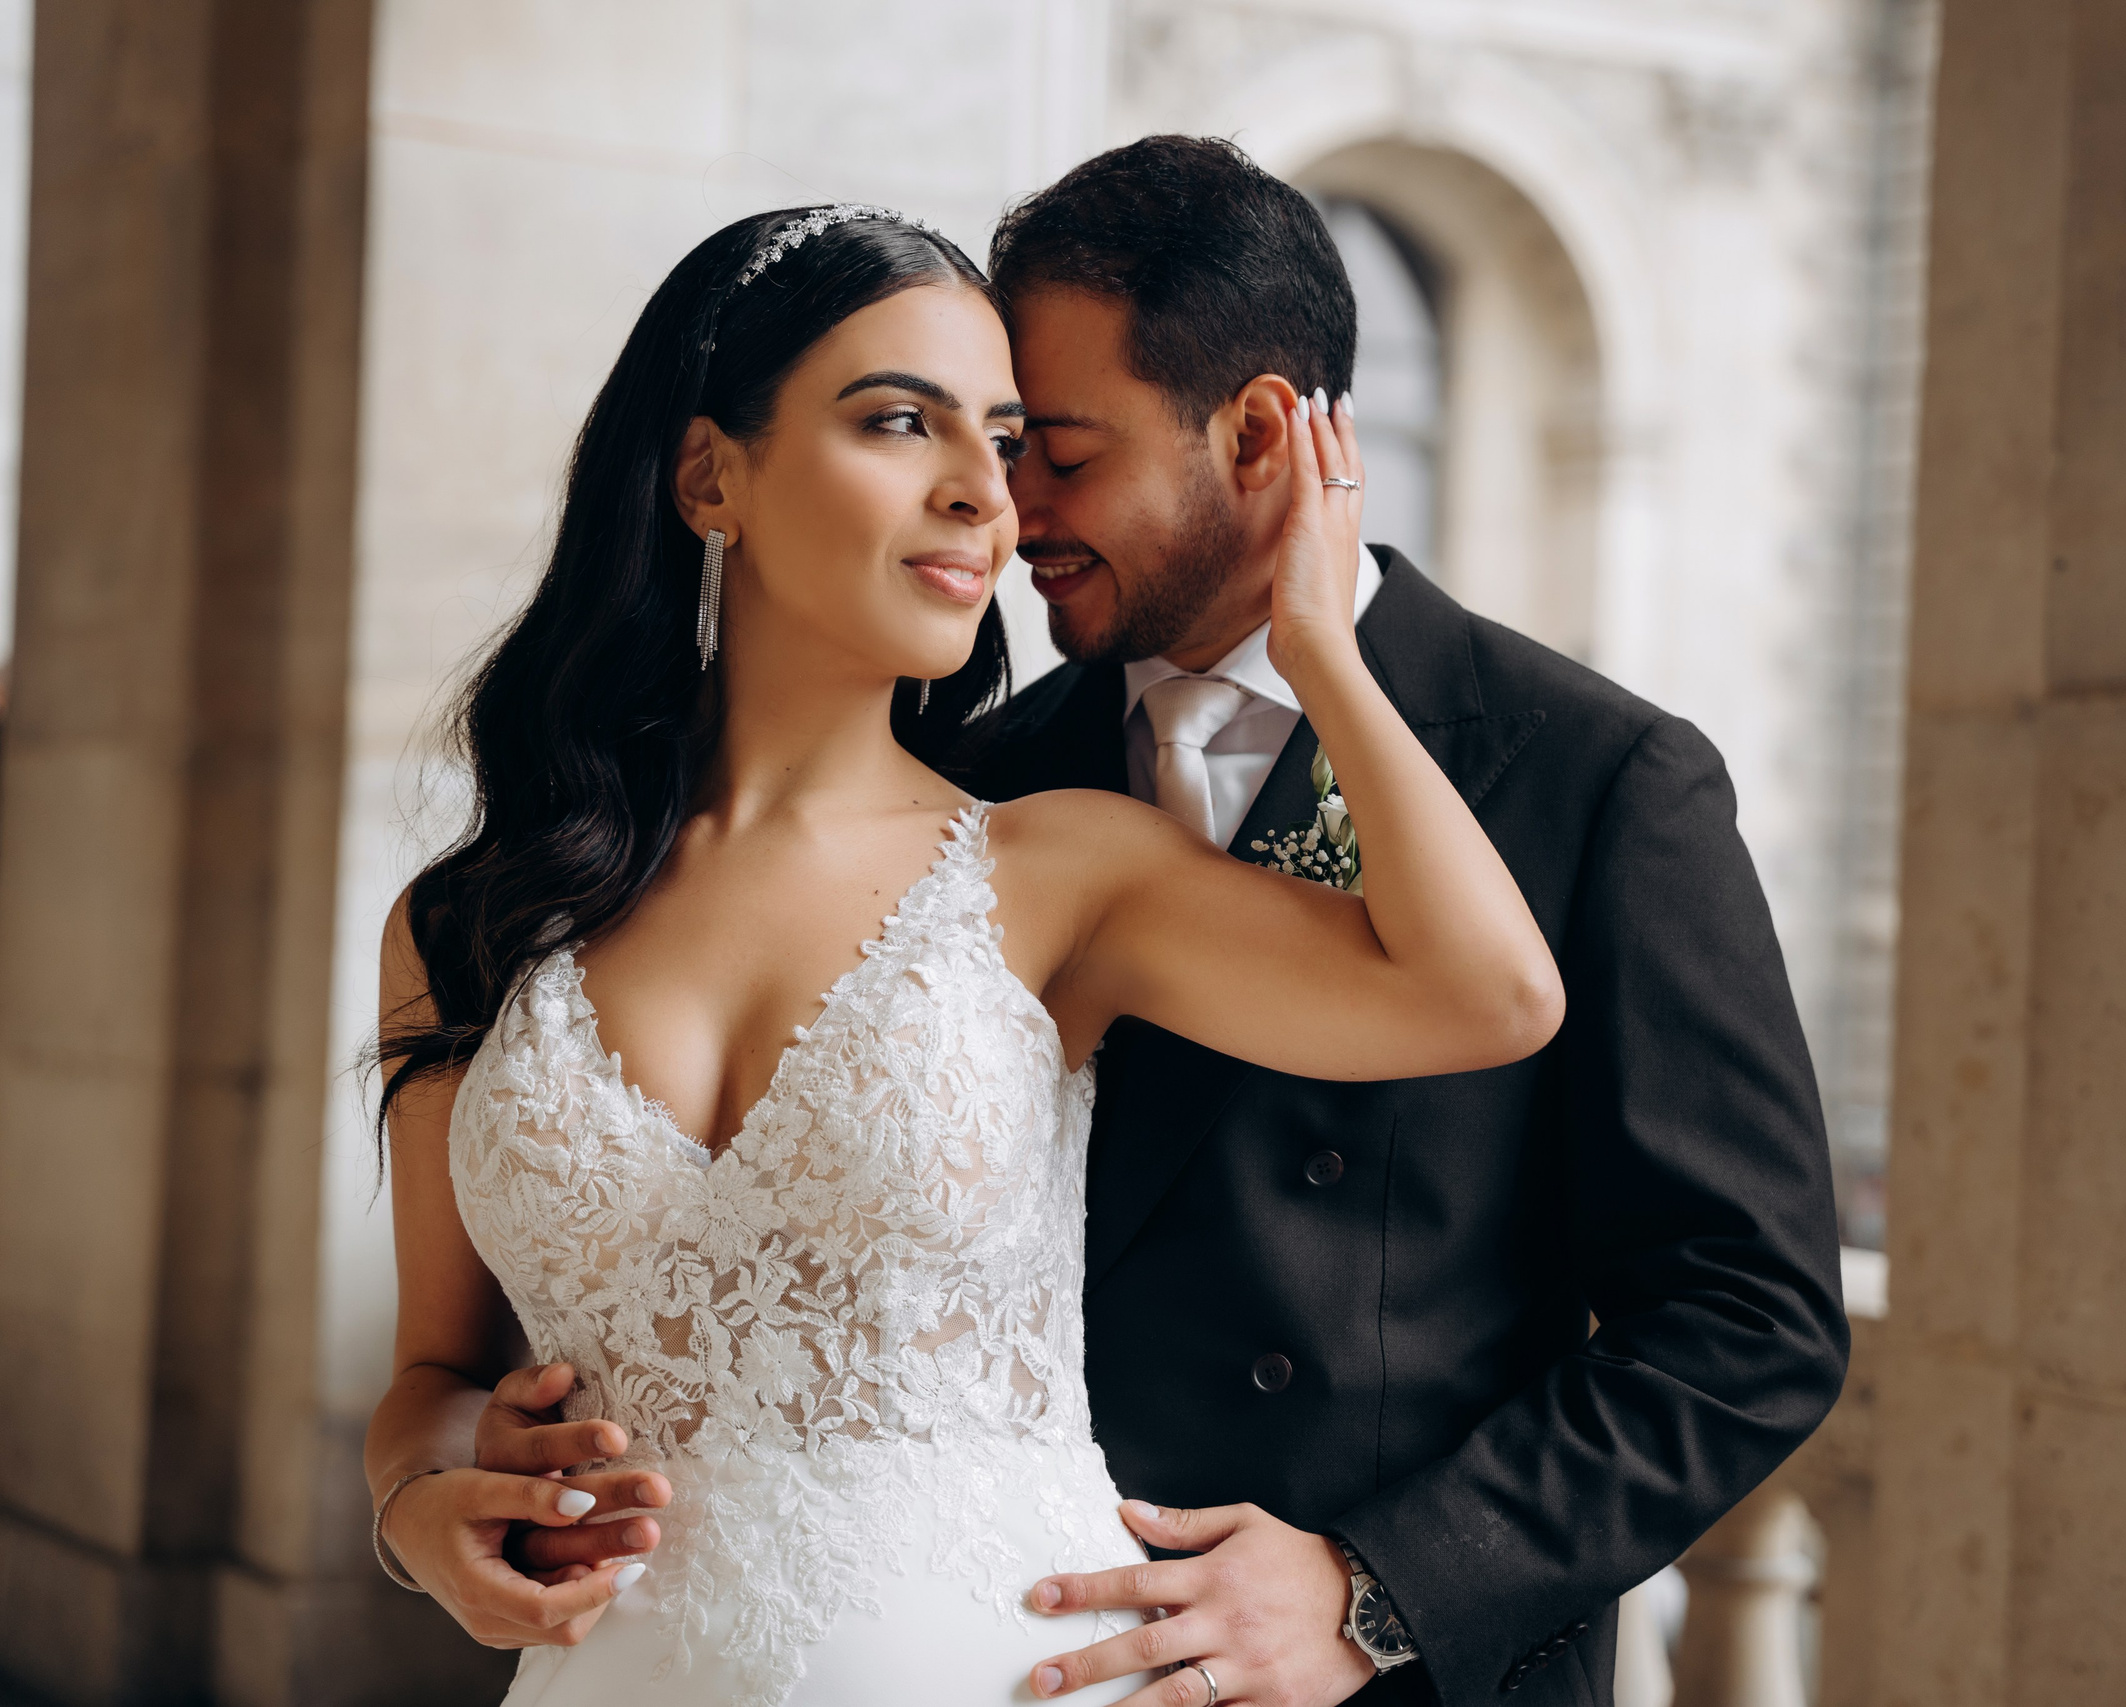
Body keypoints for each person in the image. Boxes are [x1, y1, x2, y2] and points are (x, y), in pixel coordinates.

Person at [363, 200, 1564, 1707]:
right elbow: (432, 1382)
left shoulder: (1057, 870)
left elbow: (1492, 995)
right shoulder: (476, 919)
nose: (981, 496)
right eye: (895, 421)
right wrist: (419, 1510)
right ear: (707, 472)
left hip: (1014, 1671)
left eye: (1001, 443)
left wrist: (1320, 638)